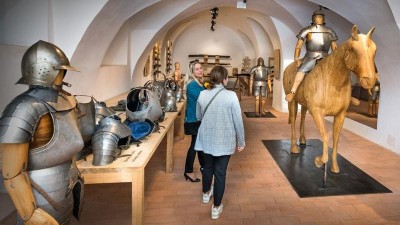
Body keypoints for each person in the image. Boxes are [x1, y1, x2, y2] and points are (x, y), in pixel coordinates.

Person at [0, 40, 85, 225]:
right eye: (60, 70)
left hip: (67, 184)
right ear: (46, 70)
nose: (63, 74)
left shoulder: (65, 99)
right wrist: (29, 212)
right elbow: (11, 171)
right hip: (40, 195)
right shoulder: (23, 108)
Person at [195, 66, 245, 219]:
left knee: (207, 168)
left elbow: (198, 116)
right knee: (220, 173)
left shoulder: (202, 94)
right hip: (225, 140)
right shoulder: (231, 96)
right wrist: (241, 141)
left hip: (206, 138)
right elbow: (238, 121)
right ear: (224, 79)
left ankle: (205, 194)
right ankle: (216, 207)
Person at [285, 10, 338, 102]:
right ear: (313, 18)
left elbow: (334, 47)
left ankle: (344, 93)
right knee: (301, 71)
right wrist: (296, 58)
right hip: (311, 56)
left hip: (326, 56)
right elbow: (298, 46)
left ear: (323, 18)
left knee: (338, 72)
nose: (319, 19)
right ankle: (293, 92)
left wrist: (336, 59)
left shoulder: (330, 31)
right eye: (317, 17)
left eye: (320, 17)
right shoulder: (307, 30)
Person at [184, 61, 205, 182]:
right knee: (195, 145)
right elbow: (203, 98)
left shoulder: (198, 83)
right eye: (197, 69)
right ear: (192, 72)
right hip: (193, 119)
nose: (200, 70)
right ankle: (189, 171)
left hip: (197, 118)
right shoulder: (193, 84)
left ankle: (203, 166)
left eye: (201, 68)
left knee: (199, 143)